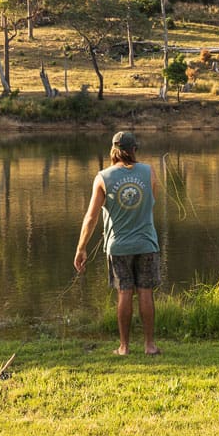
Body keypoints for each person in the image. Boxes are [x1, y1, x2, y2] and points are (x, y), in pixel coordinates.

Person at [74, 131, 162, 356]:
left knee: (124, 292)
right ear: (134, 150)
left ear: (113, 151)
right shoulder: (150, 171)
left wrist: (81, 247)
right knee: (145, 292)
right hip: (146, 244)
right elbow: (152, 201)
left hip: (118, 246)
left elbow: (91, 217)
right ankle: (149, 345)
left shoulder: (102, 177)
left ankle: (124, 347)